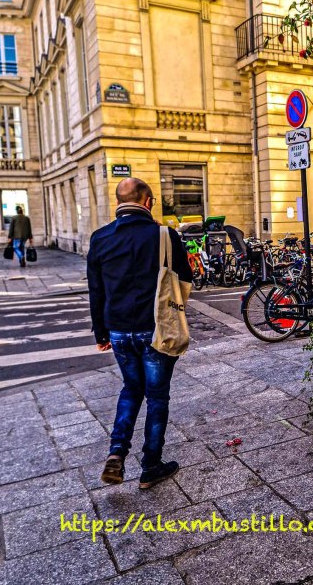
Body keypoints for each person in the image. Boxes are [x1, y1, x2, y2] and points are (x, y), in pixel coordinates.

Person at [87, 177, 192, 489]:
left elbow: (96, 290)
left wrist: (100, 333)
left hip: (118, 330)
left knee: (131, 389)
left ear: (118, 202)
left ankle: (117, 452)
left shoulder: (100, 237)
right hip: (157, 329)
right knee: (157, 396)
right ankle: (151, 465)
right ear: (148, 202)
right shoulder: (165, 235)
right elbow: (184, 279)